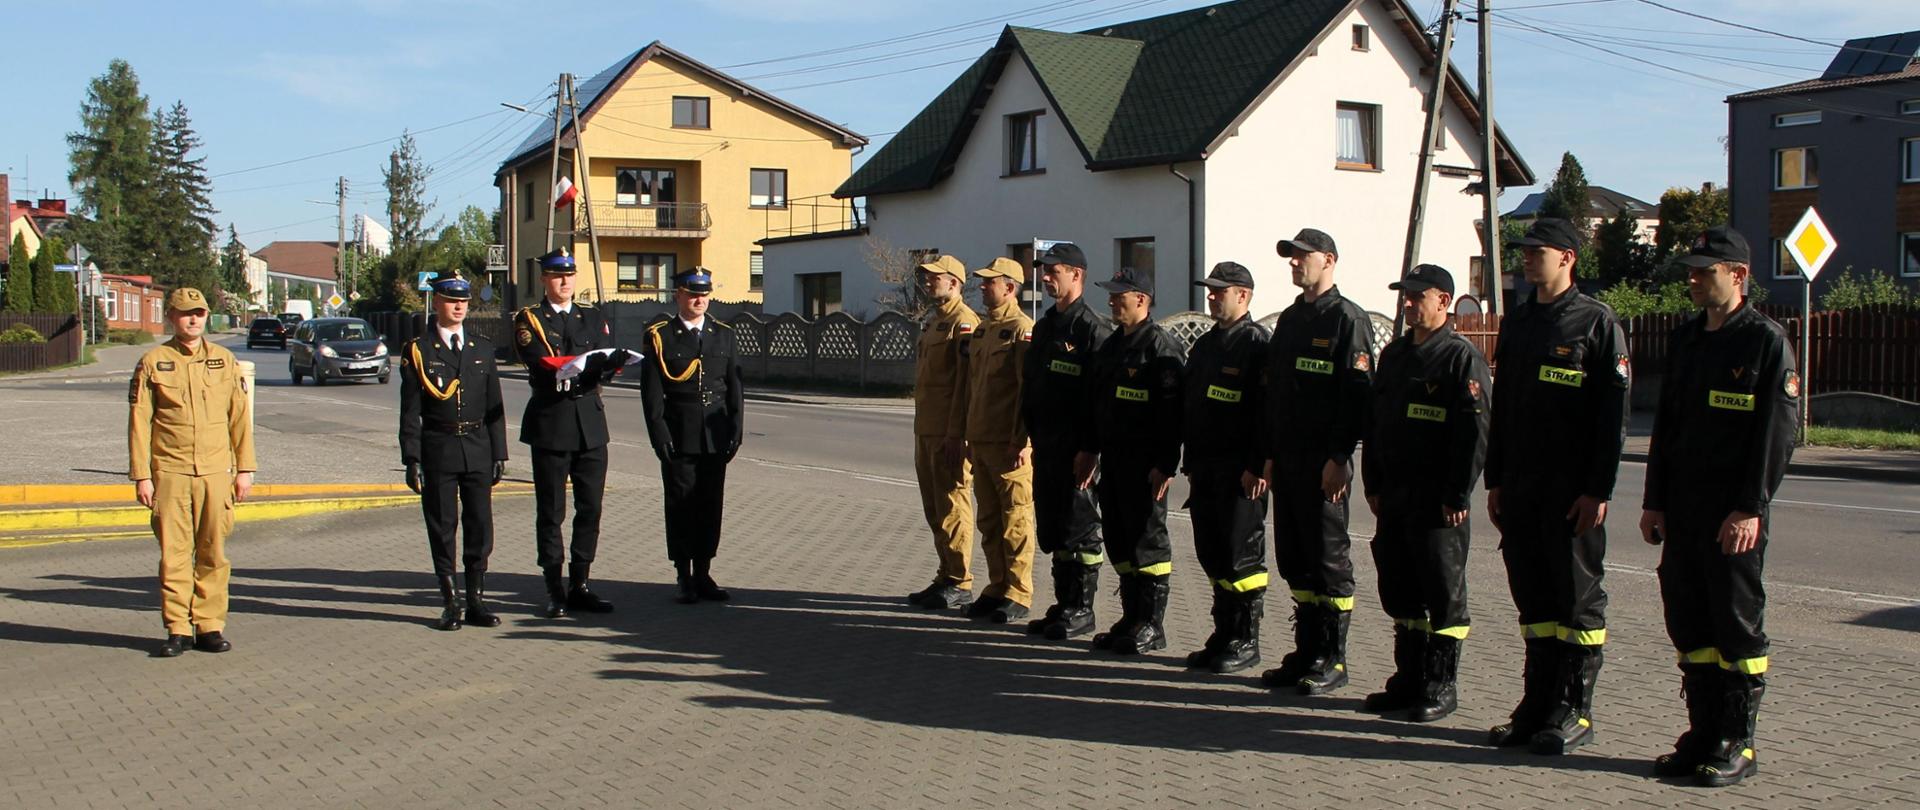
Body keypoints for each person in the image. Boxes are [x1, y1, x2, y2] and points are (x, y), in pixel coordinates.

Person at [1640, 226, 1797, 787]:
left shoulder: (1764, 342)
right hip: (1683, 510)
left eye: (1705, 271)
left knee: (1736, 630)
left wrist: (1750, 507)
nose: (1694, 279)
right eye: (1692, 270)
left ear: (1739, 275)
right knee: (1690, 623)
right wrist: (1654, 501)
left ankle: (1738, 741)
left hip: (1733, 516)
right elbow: (1667, 428)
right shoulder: (1687, 340)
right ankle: (1703, 733)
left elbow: (1776, 437)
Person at [1484, 218, 1630, 754]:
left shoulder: (1596, 323)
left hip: (1572, 494)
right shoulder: (1520, 323)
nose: (1525, 258)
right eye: (1523, 250)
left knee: (1577, 604)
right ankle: (1537, 705)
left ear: (1567, 258)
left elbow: (1611, 419)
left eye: (1535, 251)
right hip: (1522, 489)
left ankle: (1574, 709)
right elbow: (1503, 413)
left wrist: (1598, 489)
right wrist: (1495, 479)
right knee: (1535, 601)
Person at [1360, 265, 1491, 723]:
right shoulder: (1395, 354)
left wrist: (1457, 494)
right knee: (1400, 591)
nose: (1409, 303)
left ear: (1444, 301)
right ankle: (1408, 680)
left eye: (1419, 295)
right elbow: (1374, 425)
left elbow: (1474, 433)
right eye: (1406, 296)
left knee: (1442, 593)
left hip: (1438, 503)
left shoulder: (1460, 357)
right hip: (1395, 496)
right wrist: (1372, 483)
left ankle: (1440, 684)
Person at [1258, 228, 1374, 695]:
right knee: (1296, 558)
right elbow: (1276, 394)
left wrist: (1340, 456)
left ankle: (1333, 658)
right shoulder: (1289, 320)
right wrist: (1268, 454)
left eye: (1302, 257)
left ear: (1329, 260)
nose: (1293, 264)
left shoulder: (1348, 319)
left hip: (1324, 463)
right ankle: (1306, 650)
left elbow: (1357, 395)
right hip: (1287, 460)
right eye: (1291, 258)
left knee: (1328, 559)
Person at [128, 287, 256, 657]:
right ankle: (178, 629)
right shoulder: (154, 361)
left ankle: (210, 626)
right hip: (170, 471)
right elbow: (140, 422)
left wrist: (244, 468)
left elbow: (239, 419)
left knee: (213, 551)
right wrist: (142, 475)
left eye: (199, 312)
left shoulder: (224, 360)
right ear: (171, 316)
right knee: (175, 553)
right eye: (185, 313)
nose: (194, 319)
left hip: (216, 471)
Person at [1075, 266, 1184, 655]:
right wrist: (1089, 450)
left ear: (1141, 299)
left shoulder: (1160, 347)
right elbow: (1095, 403)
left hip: (1145, 465)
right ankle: (1130, 617)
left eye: (1119, 295)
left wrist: (1167, 463)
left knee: (1147, 544)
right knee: (1119, 541)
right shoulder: (1112, 345)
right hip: (1114, 461)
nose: (1111, 300)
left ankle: (1151, 625)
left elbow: (1172, 415)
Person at [513, 249, 623, 618]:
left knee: (590, 508)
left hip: (590, 422)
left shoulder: (591, 317)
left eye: (570, 275)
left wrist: (608, 366)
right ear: (544, 279)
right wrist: (578, 367)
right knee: (551, 511)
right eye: (557, 276)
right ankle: (553, 587)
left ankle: (581, 583)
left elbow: (602, 359)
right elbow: (539, 362)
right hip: (552, 422)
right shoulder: (531, 319)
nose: (564, 282)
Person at [399, 276, 509, 631]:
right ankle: (450, 600)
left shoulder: (482, 348)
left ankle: (476, 598)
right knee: (443, 525)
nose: (459, 307)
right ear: (437, 304)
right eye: (451, 301)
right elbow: (410, 411)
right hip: (439, 448)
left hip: (477, 446)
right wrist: (412, 458)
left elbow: (495, 406)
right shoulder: (419, 350)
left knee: (480, 525)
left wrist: (499, 453)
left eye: (463, 302)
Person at [1180, 262, 1272, 674]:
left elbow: (1265, 413)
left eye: (1220, 291)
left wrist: (1257, 465)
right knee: (1212, 554)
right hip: (1206, 469)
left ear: (1244, 296)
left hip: (1241, 473)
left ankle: (1244, 639)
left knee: (1241, 559)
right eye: (1210, 290)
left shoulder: (1256, 345)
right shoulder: (1205, 345)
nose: (1212, 296)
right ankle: (1222, 635)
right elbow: (1193, 406)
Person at [1021, 243, 1113, 640]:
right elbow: (1033, 388)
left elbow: (1100, 398)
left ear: (1076, 275)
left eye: (1053, 271)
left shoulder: (1093, 329)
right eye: (1044, 270)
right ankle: (1063, 604)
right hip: (1047, 445)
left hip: (1078, 450)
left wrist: (1090, 449)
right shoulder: (1045, 327)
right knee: (1055, 527)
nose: (1044, 277)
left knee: (1080, 529)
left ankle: (1081, 609)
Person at [640, 267, 745, 604]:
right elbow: (652, 393)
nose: (699, 299)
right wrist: (659, 434)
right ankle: (683, 575)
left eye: (704, 294)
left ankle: (704, 571)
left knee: (710, 504)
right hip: (680, 430)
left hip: (714, 433)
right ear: (679, 296)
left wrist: (736, 430)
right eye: (692, 293)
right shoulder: (660, 336)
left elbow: (734, 388)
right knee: (681, 504)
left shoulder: (723, 334)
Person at [950, 258, 1038, 623]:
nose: (983, 287)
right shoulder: (985, 331)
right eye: (982, 282)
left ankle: (1018, 592)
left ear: (1010, 288)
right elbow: (971, 389)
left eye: (990, 283)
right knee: (988, 521)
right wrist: (965, 435)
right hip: (981, 440)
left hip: (1008, 444)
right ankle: (997, 586)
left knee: (1014, 519)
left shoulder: (1022, 330)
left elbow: (1026, 391)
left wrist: (1021, 439)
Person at [906, 254, 981, 611]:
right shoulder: (935, 322)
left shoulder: (964, 323)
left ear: (955, 282)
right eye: (927, 277)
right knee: (935, 508)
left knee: (953, 504)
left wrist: (958, 434)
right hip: (927, 430)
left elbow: (966, 385)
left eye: (936, 278)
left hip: (948, 433)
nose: (928, 282)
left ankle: (960, 580)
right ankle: (946, 573)